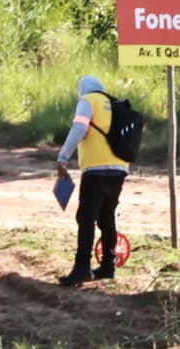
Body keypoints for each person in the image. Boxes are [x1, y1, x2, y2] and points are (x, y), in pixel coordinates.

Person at [54, 74, 129, 286]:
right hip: (119, 168)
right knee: (107, 216)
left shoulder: (88, 101)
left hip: (96, 169)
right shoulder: (114, 104)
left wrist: (63, 156)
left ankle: (82, 268)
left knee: (86, 218)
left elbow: (79, 128)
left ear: (82, 90)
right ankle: (108, 266)